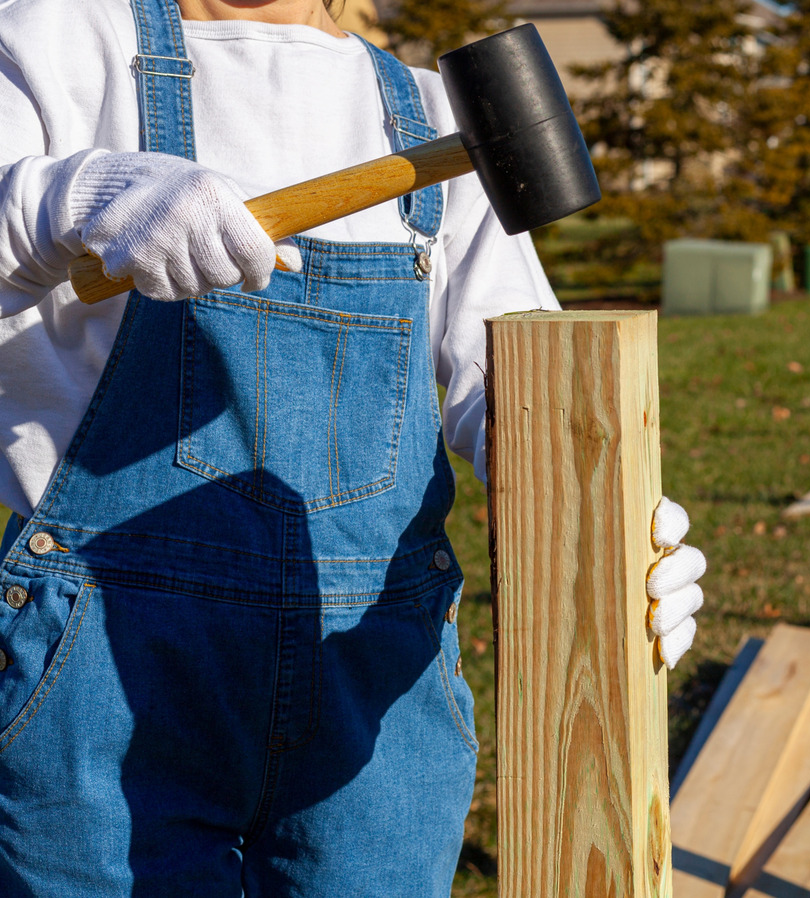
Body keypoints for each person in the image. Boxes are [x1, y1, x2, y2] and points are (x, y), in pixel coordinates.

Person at [0, 0, 706, 893]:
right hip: (103, 666)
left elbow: (517, 383)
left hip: (375, 680)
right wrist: (65, 200)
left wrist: (606, 528)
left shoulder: (426, 111)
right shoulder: (56, 40)